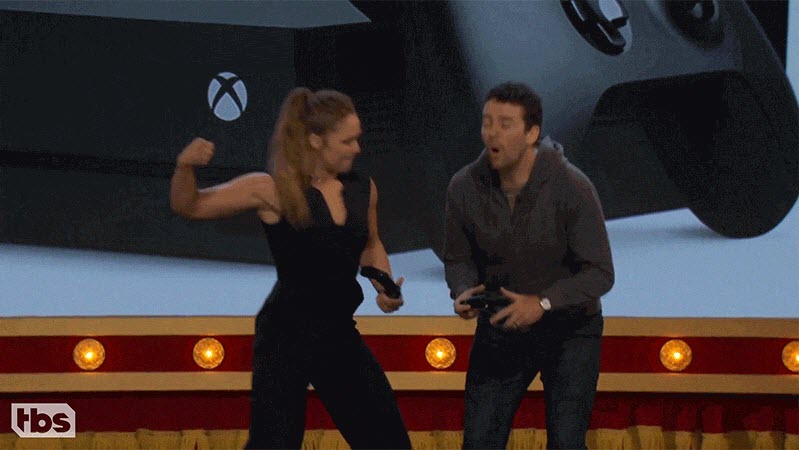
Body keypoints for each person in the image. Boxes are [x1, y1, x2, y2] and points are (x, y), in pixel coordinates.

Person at [170, 87, 412, 450]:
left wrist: (385, 285)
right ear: (316, 140)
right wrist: (185, 167)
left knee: (387, 441)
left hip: (337, 333)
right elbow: (190, 205)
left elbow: (371, 244)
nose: (357, 148)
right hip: (284, 337)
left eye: (357, 139)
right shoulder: (272, 189)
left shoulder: (364, 189)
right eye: (347, 141)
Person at [444, 82, 615, 450]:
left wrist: (542, 302)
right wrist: (463, 290)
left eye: (505, 124)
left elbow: (600, 272)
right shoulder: (464, 187)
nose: (492, 133)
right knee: (479, 442)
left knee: (567, 443)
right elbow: (458, 258)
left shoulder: (572, 186)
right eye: (487, 122)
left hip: (571, 330)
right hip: (502, 327)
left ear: (532, 133)